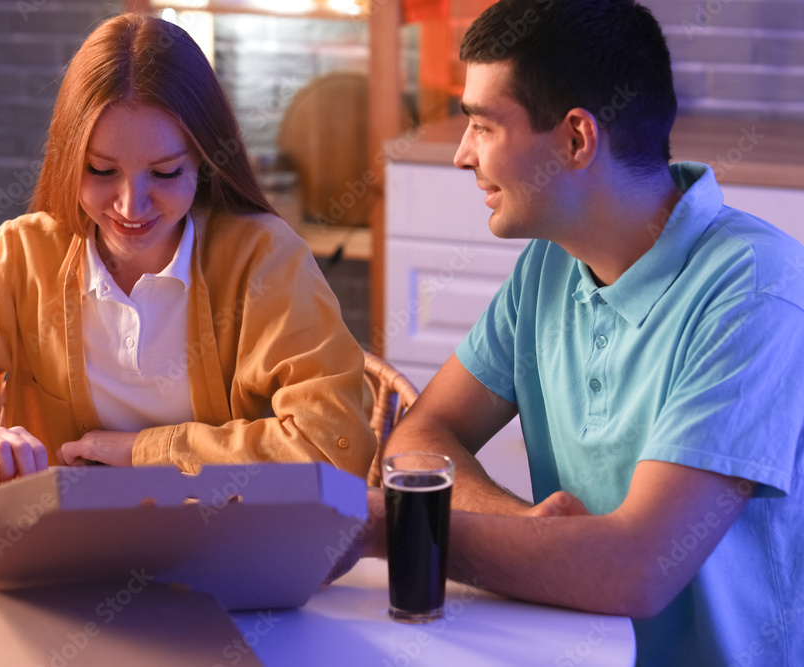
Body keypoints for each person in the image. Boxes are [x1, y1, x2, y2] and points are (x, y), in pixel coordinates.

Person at [339, 1, 804, 665]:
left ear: (577, 140)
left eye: (482, 125)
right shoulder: (549, 265)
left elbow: (638, 567)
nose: (461, 154)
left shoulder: (758, 291)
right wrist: (523, 525)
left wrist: (394, 528)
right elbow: (420, 435)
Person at [0, 14, 376, 496]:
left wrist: (144, 452)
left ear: (203, 159)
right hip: (62, 557)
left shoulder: (264, 259)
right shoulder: (21, 256)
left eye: (165, 172)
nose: (131, 206)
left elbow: (335, 449)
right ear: (69, 159)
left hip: (222, 550)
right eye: (102, 171)